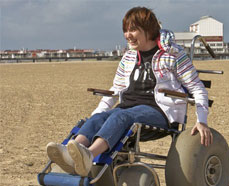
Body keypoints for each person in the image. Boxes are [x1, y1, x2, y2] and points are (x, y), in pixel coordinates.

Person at [46, 6, 213, 177]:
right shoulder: (128, 57)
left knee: (120, 116)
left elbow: (197, 88)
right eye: (125, 30)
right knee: (99, 118)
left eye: (133, 30)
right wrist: (96, 115)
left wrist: (202, 120)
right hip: (127, 107)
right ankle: (70, 153)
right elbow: (115, 90)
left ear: (148, 30)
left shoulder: (173, 55)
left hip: (160, 112)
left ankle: (89, 155)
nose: (127, 35)